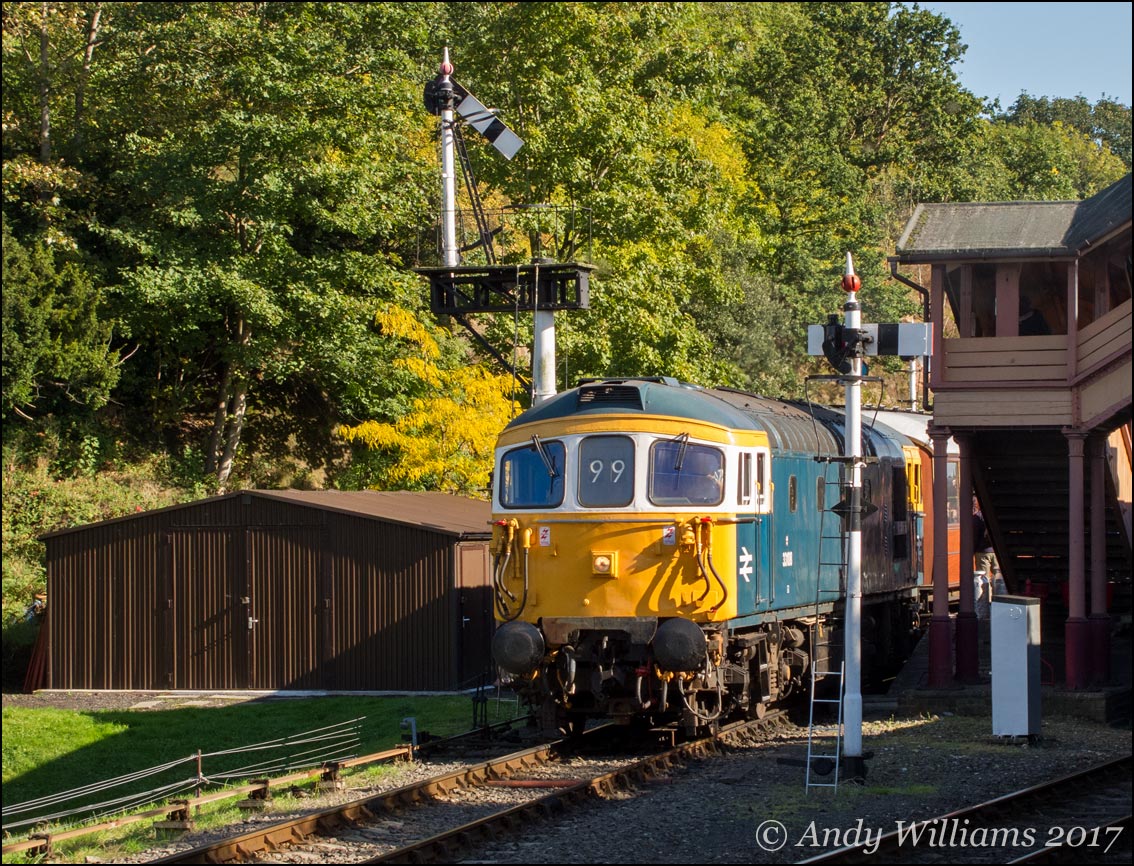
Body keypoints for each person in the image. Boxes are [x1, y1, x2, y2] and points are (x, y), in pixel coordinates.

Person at [972, 496, 999, 579]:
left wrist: (972, 551)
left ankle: (987, 592)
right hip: (996, 552)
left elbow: (975, 536)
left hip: (982, 552)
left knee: (984, 579)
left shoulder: (977, 517)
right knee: (999, 578)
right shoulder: (994, 515)